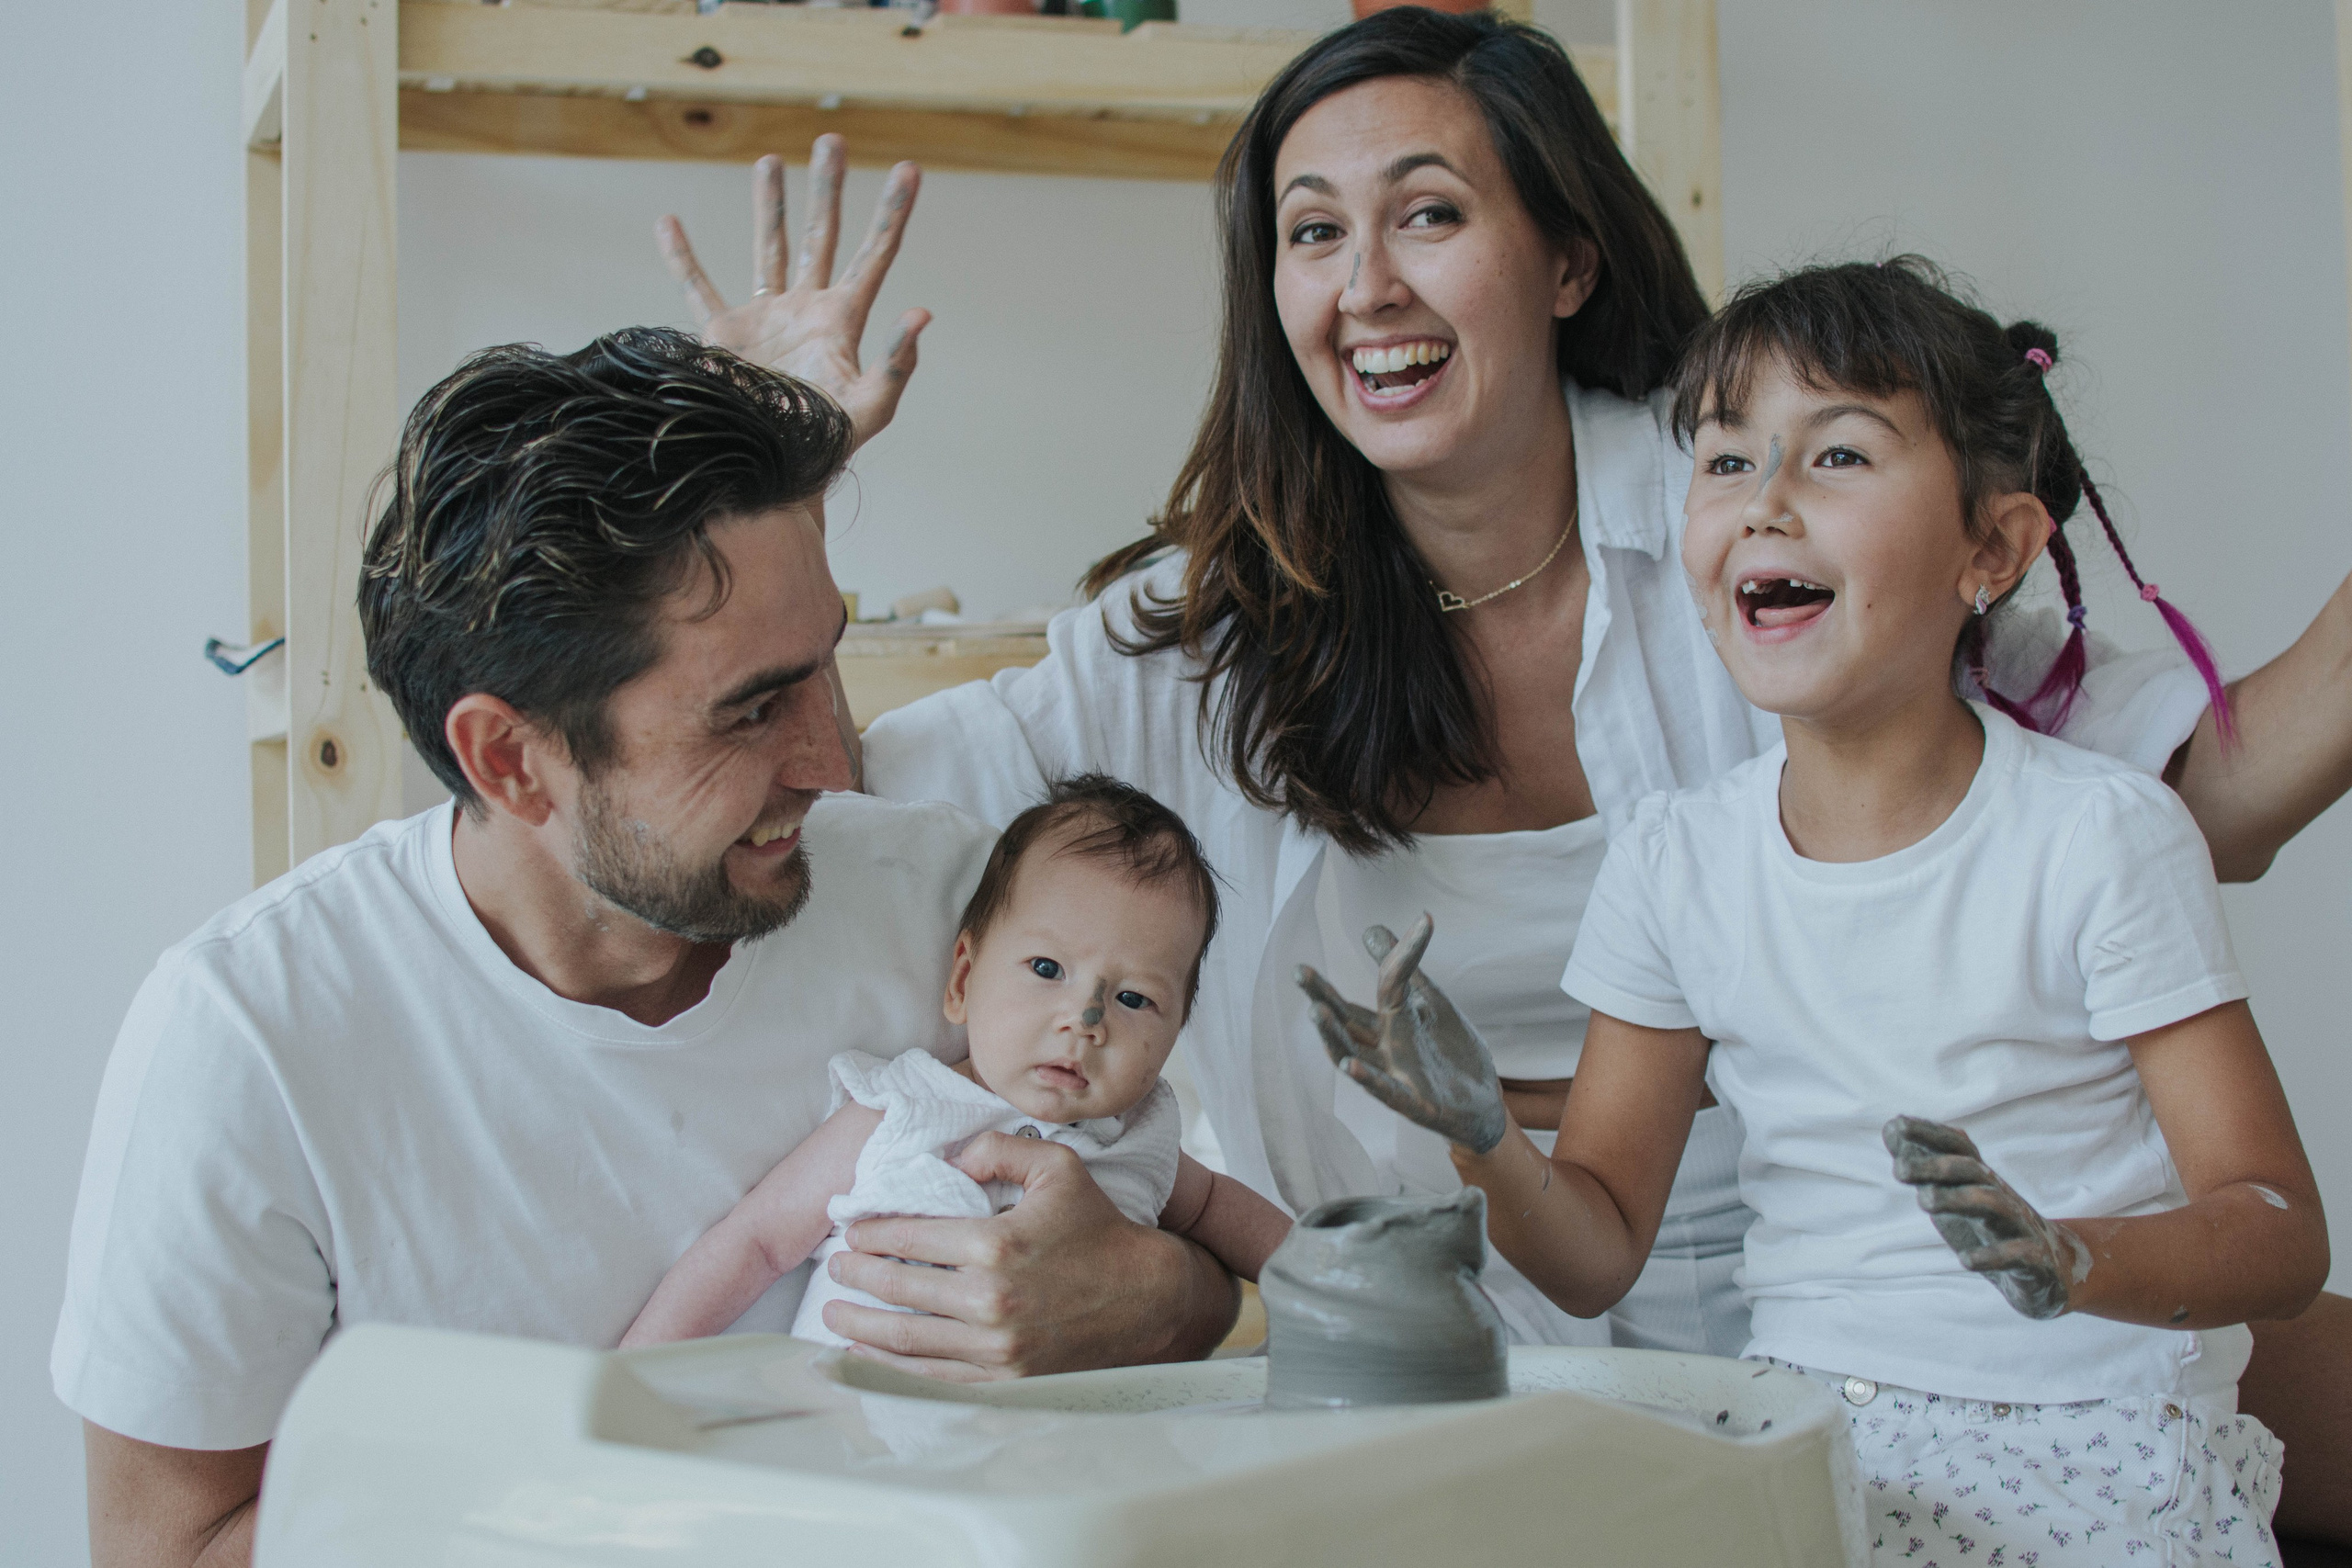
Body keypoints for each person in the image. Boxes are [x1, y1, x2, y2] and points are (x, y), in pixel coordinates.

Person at [656, 8, 2352, 1538]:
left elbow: (2197, 794)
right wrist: (772, 473)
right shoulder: (1195, 639)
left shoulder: (1761, 518)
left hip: (1903, 1307)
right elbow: (827, 787)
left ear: (1566, 259)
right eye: (1312, 233)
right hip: (1449, 1348)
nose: (1364, 286)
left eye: (1428, 214)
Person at [55, 332, 1238, 1568]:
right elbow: (172, 1546)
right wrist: (587, 1499)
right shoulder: (250, 1035)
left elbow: (1187, 1240)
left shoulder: (956, 905)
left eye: (824, 666)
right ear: (510, 760)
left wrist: (1163, 1297)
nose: (831, 761)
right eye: (752, 708)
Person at [1308, 257, 2326, 1564]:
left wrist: (2073, 1258)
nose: (1765, 502)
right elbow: (1594, 1248)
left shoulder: (2100, 835)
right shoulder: (1676, 861)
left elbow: (2278, 1230)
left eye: (1839, 455)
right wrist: (1484, 1140)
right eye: (1726, 461)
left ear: (1992, 548)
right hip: (1811, 1444)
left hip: (2099, 1443)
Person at [623, 774, 1293, 1348]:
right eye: (1047, 968)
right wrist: (631, 1375)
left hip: (1064, 1443)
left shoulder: (1141, 1140)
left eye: (1134, 998)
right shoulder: (904, 1109)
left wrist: (1327, 1274)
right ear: (964, 980)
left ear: (1175, 1034)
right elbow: (758, 1243)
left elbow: (1219, 1209)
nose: (1084, 1021)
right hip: (854, 1428)